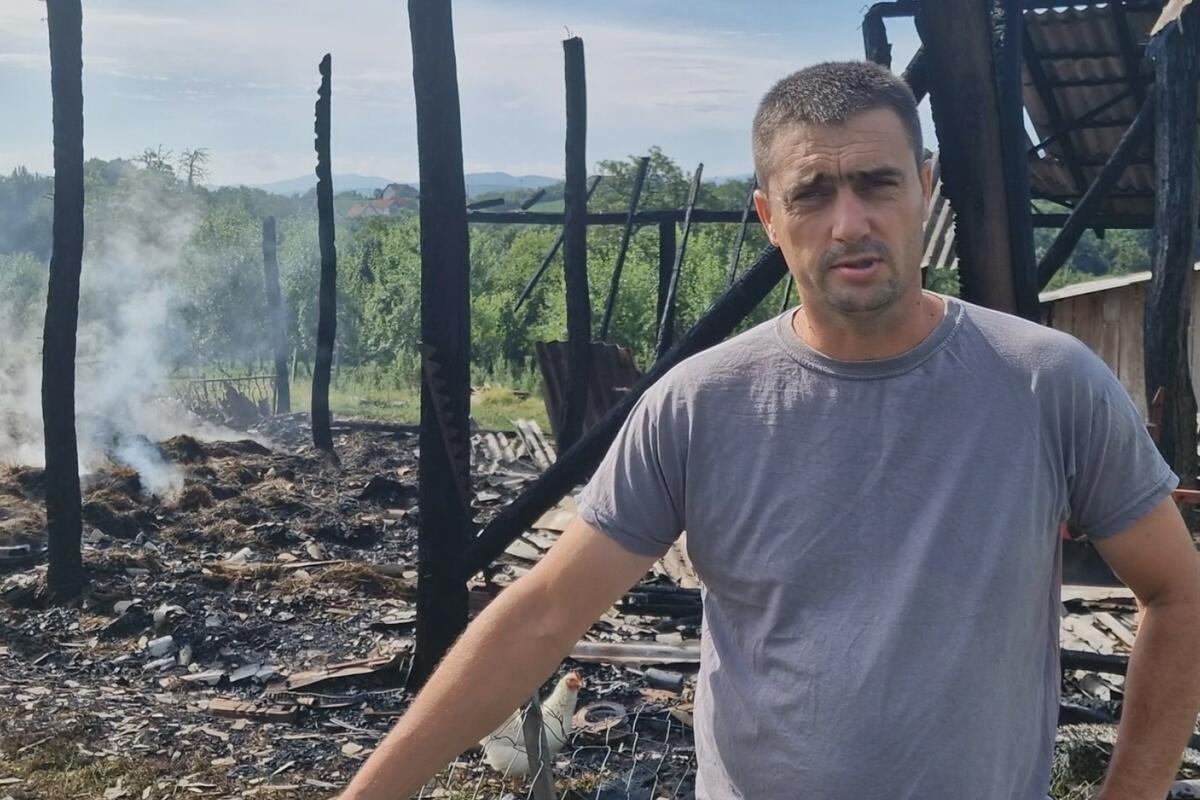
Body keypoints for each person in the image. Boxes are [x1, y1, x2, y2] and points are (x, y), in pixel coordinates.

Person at [337, 61, 1200, 799]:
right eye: (812, 193)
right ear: (769, 217)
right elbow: (543, 614)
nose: (849, 223)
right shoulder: (699, 406)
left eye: (877, 183)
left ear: (926, 189)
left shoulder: (1047, 384)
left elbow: (1178, 593)